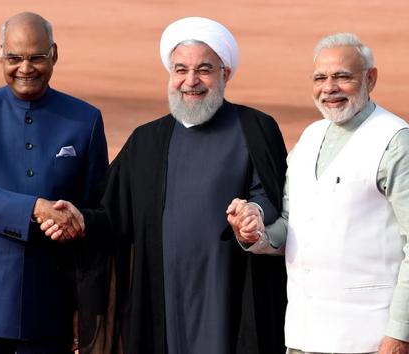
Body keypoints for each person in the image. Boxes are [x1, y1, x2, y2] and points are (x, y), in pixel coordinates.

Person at [41, 16, 288, 354]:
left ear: (224, 74)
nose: (191, 81)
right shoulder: (147, 141)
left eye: (204, 69)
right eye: (180, 69)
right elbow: (112, 214)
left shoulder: (255, 127)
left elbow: (270, 192)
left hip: (227, 289)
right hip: (162, 296)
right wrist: (80, 219)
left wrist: (254, 214)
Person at [227, 32, 409, 354]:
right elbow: (292, 225)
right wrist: (255, 233)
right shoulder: (311, 137)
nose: (329, 88)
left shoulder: (396, 141)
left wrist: (399, 334)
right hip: (304, 334)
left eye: (343, 77)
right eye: (320, 78)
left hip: (369, 338)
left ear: (370, 79)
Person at [0, 12, 108, 354]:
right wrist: (35, 208)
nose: (25, 68)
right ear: (0, 55)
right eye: (15, 58)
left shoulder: (85, 120)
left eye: (36, 57)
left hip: (53, 298)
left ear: (54, 54)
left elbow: (95, 211)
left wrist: (86, 303)